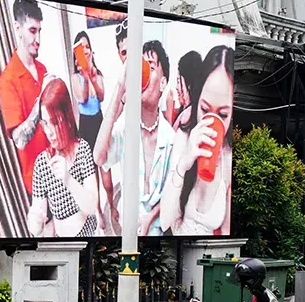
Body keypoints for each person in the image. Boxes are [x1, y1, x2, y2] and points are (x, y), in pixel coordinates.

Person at [93, 39, 176, 236]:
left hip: (159, 237)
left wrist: (150, 218)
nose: (143, 74)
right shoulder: (125, 126)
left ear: (163, 83)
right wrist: (121, 85)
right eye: (141, 67)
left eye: (151, 67)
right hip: (125, 233)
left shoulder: (170, 139)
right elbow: (99, 157)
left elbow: (173, 193)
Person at [159, 45, 233, 236]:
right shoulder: (185, 136)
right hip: (174, 251)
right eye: (205, 110)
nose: (212, 121)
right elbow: (165, 221)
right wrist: (184, 163)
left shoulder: (229, 156)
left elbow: (225, 230)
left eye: (223, 114)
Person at [27, 78, 100, 237]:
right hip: (60, 244)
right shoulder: (42, 162)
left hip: (88, 236)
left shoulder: (82, 149)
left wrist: (68, 179)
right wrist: (36, 220)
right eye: (45, 123)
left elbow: (91, 206)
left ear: (66, 118)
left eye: (54, 122)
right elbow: (35, 223)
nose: (49, 131)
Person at [0, 0, 50, 194]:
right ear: (17, 29)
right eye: (32, 31)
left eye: (39, 31)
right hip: (37, 184)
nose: (38, 40)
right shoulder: (8, 79)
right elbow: (20, 139)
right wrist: (41, 101)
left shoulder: (42, 68)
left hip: (59, 173)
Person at [71, 31, 106, 150]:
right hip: (85, 123)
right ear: (76, 53)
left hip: (99, 120)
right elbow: (83, 98)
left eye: (87, 47)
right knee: (91, 166)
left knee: (105, 162)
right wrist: (86, 77)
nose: (85, 50)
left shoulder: (97, 74)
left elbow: (101, 97)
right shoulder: (75, 78)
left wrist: (93, 77)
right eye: (81, 48)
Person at [163, 50, 202, 130]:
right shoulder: (190, 111)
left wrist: (169, 114)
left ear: (188, 85)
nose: (177, 87)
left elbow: (171, 141)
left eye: (178, 81)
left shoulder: (188, 116)